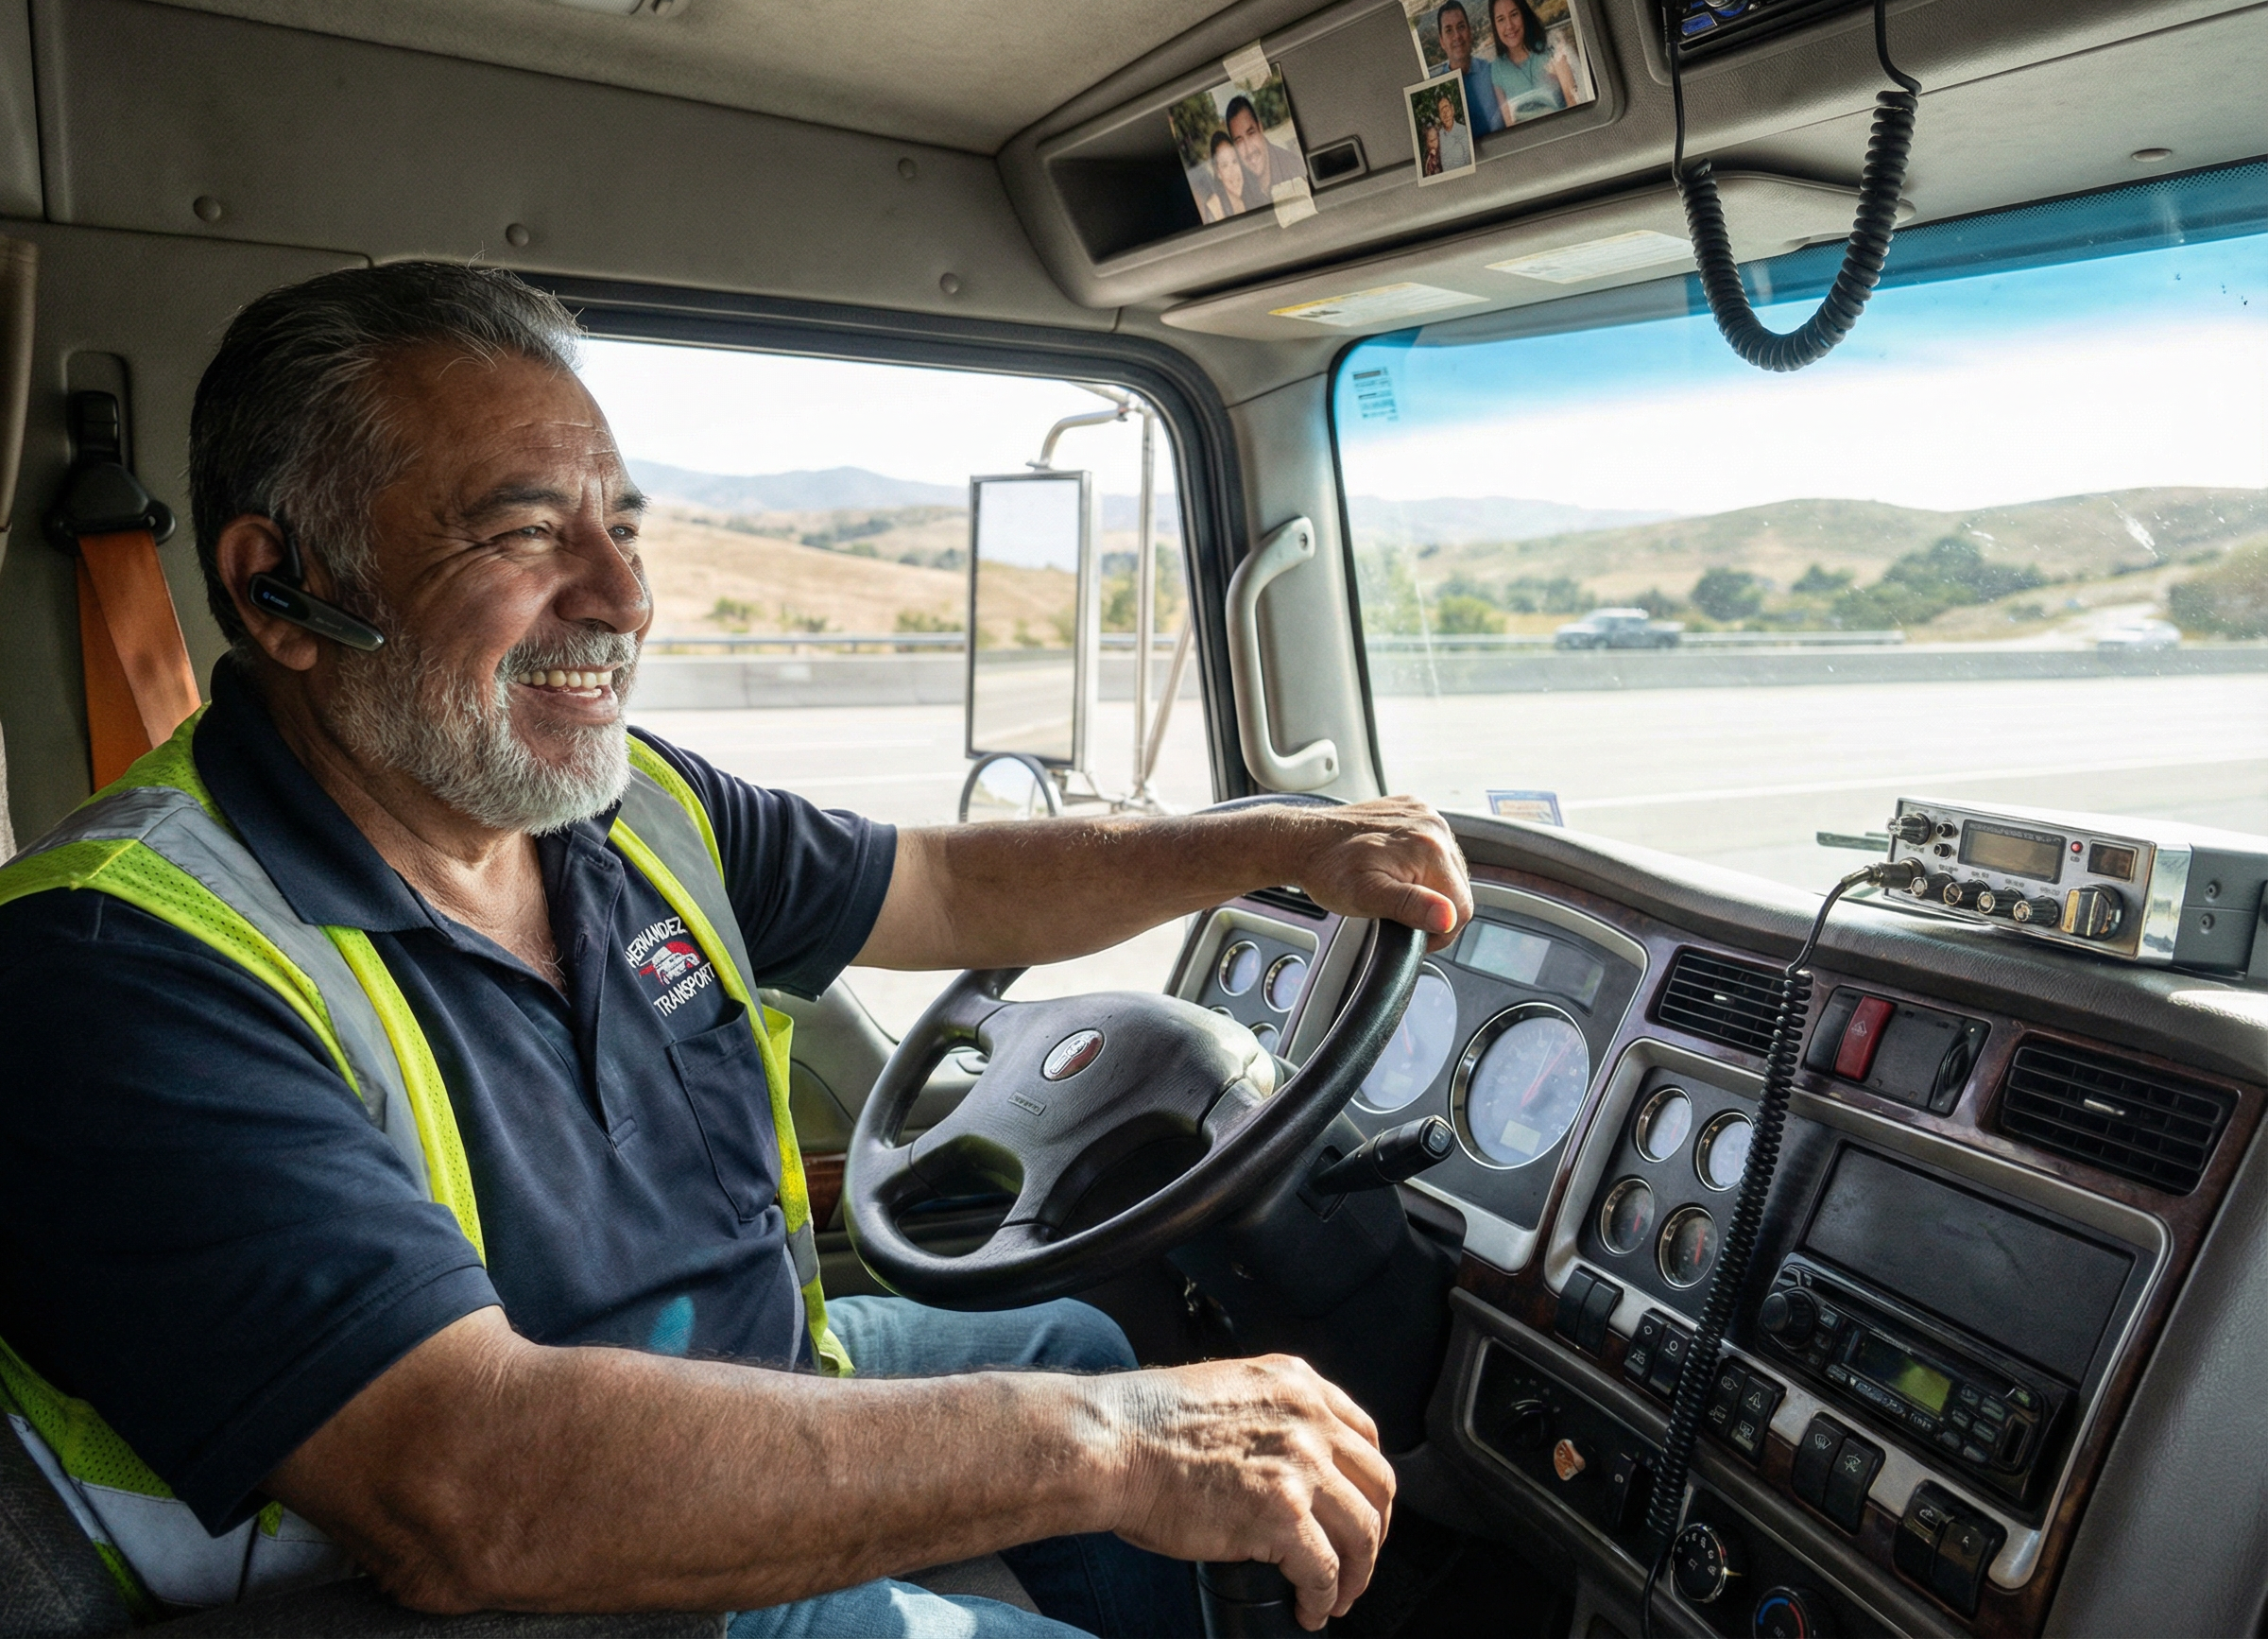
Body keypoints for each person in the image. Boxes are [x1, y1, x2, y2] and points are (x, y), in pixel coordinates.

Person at [0, 262, 1473, 1639]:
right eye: (524, 532)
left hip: (747, 1378)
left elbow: (953, 886)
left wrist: (1280, 841)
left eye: (623, 529)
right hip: (521, 1569)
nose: (625, 600)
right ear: (281, 589)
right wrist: (1102, 1454)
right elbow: (468, 1483)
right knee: (1102, 1413)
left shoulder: (627, 812)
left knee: (1088, 1341)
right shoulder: (116, 967)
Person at [1486, 0, 1581, 125]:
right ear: (1495, 26)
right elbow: (1510, 125)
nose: (1509, 26)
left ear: (1523, 14)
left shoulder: (1551, 48)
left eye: (1514, 15)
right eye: (1501, 20)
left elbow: (1573, 101)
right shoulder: (1497, 68)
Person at [1430, 0, 1505, 136]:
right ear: (1441, 41)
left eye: (1461, 27)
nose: (1457, 36)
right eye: (1449, 30)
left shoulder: (1493, 72)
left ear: (1470, 32)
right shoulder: (1435, 90)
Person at [1225, 94, 1306, 203]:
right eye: (1239, 141)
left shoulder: (1293, 168)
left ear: (1260, 128)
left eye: (1251, 133)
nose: (1249, 150)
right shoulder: (1241, 189)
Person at [1201, 129, 1249, 219]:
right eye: (1224, 165)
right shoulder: (1214, 209)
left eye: (1235, 161)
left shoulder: (1252, 194)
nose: (1233, 172)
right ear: (1218, 172)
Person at [1432, 83, 1473, 173]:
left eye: (1447, 109)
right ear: (1439, 115)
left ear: (1452, 109)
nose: (1445, 114)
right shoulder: (1438, 136)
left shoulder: (1464, 131)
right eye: (1442, 111)